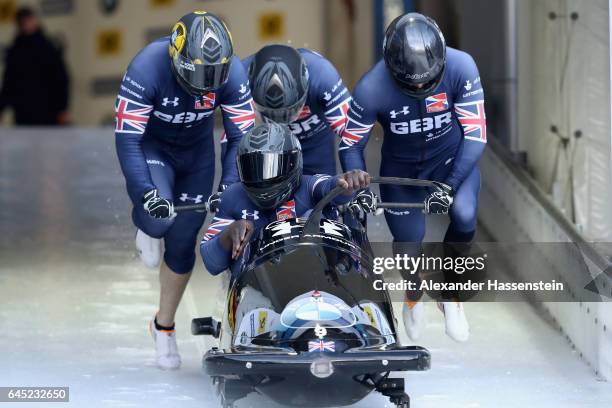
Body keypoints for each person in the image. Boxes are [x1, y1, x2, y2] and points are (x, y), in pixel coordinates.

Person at [114, 11, 255, 370]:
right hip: (154, 151)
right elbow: (129, 141)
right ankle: (145, 226)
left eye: (214, 77)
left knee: (181, 242)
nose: (206, 84)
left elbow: (240, 139)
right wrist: (145, 192)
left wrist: (228, 187)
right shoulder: (146, 68)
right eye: (198, 75)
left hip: (196, 156)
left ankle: (163, 326)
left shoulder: (234, 73)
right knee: (158, 220)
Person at [339, 13, 487, 343]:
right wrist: (359, 181)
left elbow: (476, 136)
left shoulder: (462, 67)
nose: (420, 86)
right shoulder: (370, 88)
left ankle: (451, 294)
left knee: (463, 214)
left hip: (451, 166)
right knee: (409, 243)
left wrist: (450, 184)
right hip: (401, 174)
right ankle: (413, 292)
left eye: (427, 81)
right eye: (412, 83)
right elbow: (350, 146)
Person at [200, 122, 371, 275]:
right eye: (254, 169)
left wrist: (348, 183)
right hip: (263, 294)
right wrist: (228, 235)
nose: (262, 179)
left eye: (271, 168)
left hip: (317, 281)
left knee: (312, 215)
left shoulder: (309, 186)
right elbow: (211, 263)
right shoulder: (232, 196)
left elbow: (331, 187)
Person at [242, 44, 351, 175]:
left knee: (325, 190)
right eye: (271, 114)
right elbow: (233, 138)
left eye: (289, 112)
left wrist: (355, 180)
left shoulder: (323, 76)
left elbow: (352, 134)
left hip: (315, 144)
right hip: (269, 144)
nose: (282, 121)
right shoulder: (240, 77)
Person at [0, 7, 69, 125]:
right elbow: (9, 83)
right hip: (23, 114)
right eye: (23, 22)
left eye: (28, 20)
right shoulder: (16, 51)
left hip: (48, 113)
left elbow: (61, 79)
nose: (26, 24)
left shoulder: (48, 48)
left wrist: (62, 109)